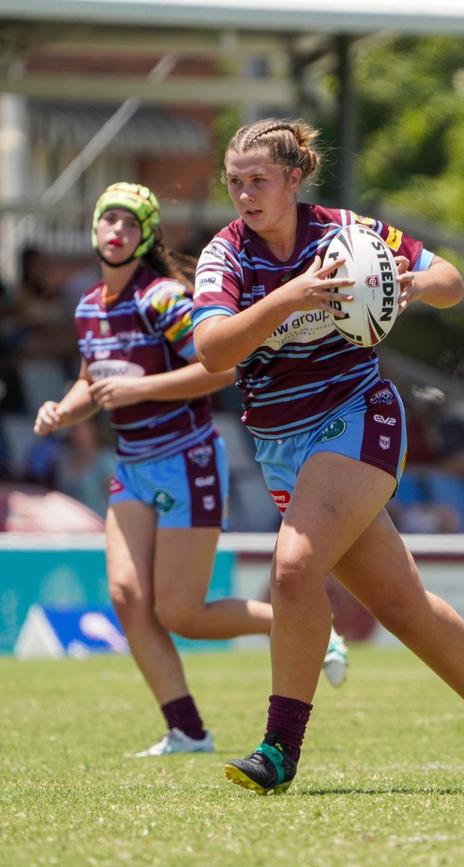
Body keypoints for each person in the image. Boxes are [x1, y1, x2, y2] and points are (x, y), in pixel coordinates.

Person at [192, 118, 464, 794]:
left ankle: (278, 749)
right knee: (403, 605)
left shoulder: (346, 233)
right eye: (234, 182)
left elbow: (449, 277)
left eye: (258, 180)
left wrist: (416, 285)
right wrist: (289, 298)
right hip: (279, 445)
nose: (244, 194)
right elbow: (213, 348)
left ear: (295, 179)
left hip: (359, 416)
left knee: (295, 567)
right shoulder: (227, 256)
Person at [33, 181, 348, 757]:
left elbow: (219, 370)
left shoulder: (161, 299)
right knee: (128, 596)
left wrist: (139, 389)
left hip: (186, 460)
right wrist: (62, 408)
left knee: (182, 613)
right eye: (109, 221)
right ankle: (187, 730)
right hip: (132, 466)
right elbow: (92, 379)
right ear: (94, 229)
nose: (117, 232)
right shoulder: (87, 306)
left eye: (130, 224)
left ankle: (309, 629)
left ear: (145, 234)